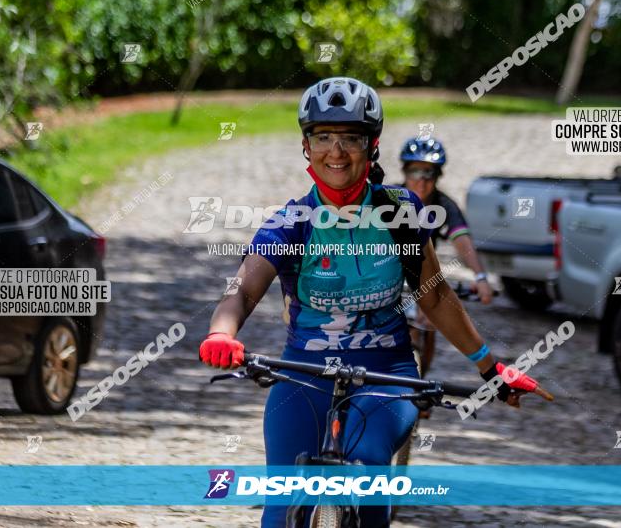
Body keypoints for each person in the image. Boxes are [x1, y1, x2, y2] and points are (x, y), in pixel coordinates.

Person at [198, 77, 547, 528]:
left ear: (373, 145)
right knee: (281, 504)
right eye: (323, 137)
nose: (336, 151)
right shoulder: (291, 224)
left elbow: (436, 297)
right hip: (305, 369)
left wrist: (488, 367)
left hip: (387, 372)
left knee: (366, 478)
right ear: (306, 145)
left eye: (351, 138)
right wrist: (221, 334)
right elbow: (243, 290)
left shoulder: (401, 215)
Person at [398, 136, 493, 380]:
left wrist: (480, 277)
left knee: (431, 317)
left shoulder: (444, 205)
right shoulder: (390, 198)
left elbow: (463, 241)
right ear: (404, 172)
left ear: (438, 176)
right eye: (414, 171)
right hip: (389, 273)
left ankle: (421, 384)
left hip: (422, 274)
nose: (421, 179)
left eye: (428, 172)